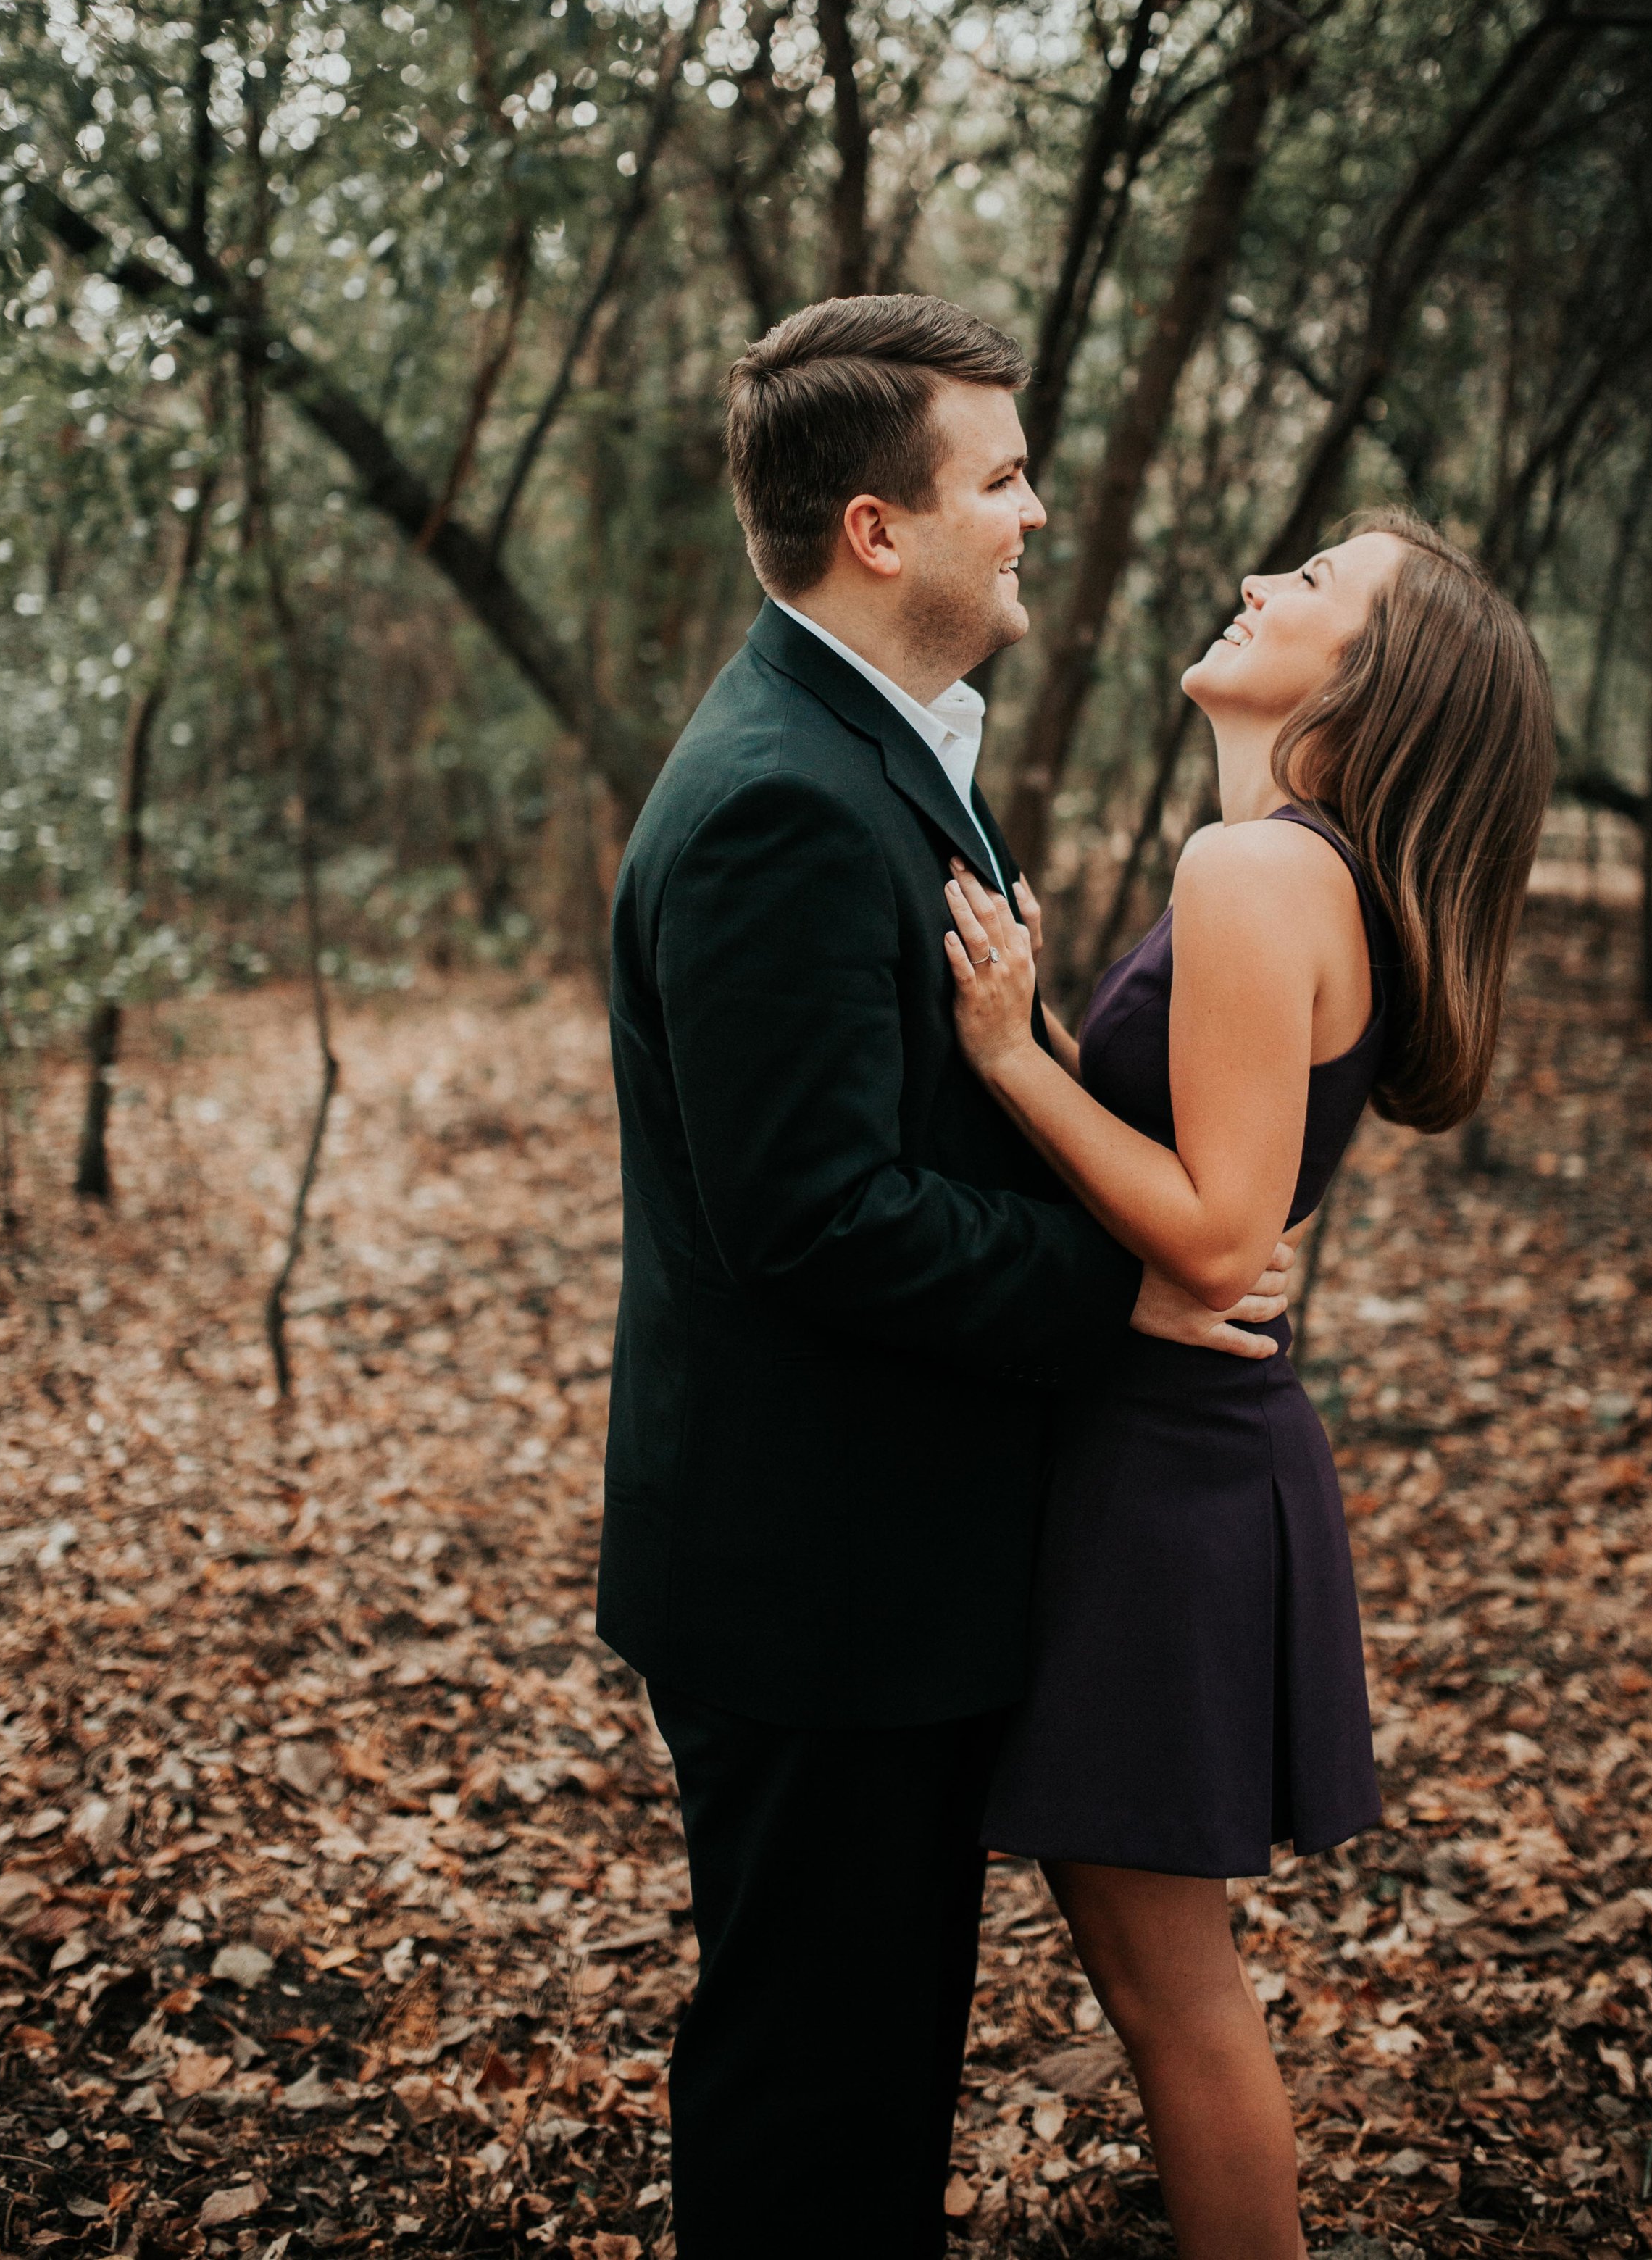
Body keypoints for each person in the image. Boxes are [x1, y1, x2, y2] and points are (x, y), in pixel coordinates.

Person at [597, 293, 1293, 2260]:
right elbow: (812, 1214)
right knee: (819, 2094)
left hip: (870, 1550)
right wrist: (1120, 1290)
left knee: (866, 2061)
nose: (1035, 508)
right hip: (810, 1579)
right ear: (877, 529)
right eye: (997, 475)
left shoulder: (868, 745)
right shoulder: (777, 806)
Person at [940, 509, 1556, 2260]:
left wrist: (1001, 1059)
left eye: (1317, 587)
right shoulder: (1288, 868)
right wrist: (1056, 1044)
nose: (1263, 583)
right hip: (1186, 1457)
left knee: (1169, 1997)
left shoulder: (1258, 873)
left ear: (1373, 684)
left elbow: (1210, 1242)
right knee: (1165, 1984)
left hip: (1163, 1476)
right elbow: (1200, 1171)